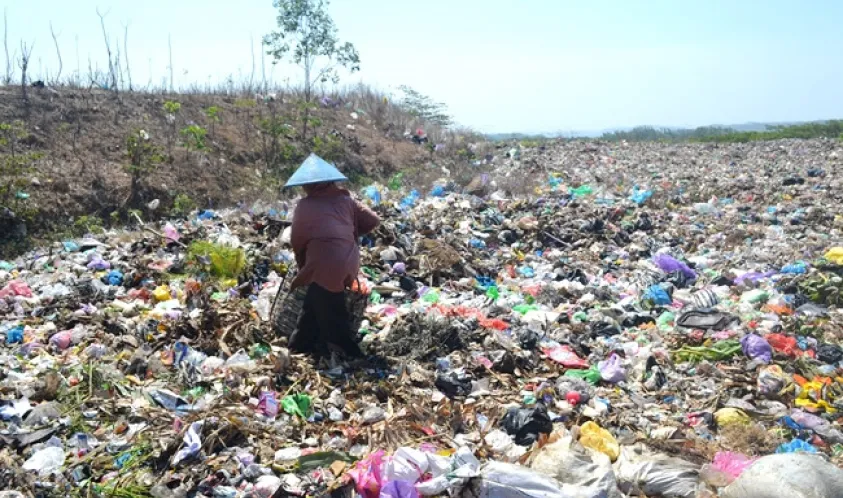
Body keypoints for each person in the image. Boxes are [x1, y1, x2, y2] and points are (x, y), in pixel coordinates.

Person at [285, 154, 380, 358]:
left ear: (310, 186)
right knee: (314, 301)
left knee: (334, 313)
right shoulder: (346, 200)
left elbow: (297, 240)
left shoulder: (304, 206)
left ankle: (351, 352)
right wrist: (347, 234)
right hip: (348, 261)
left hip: (324, 264)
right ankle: (299, 346)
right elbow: (373, 220)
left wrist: (303, 265)